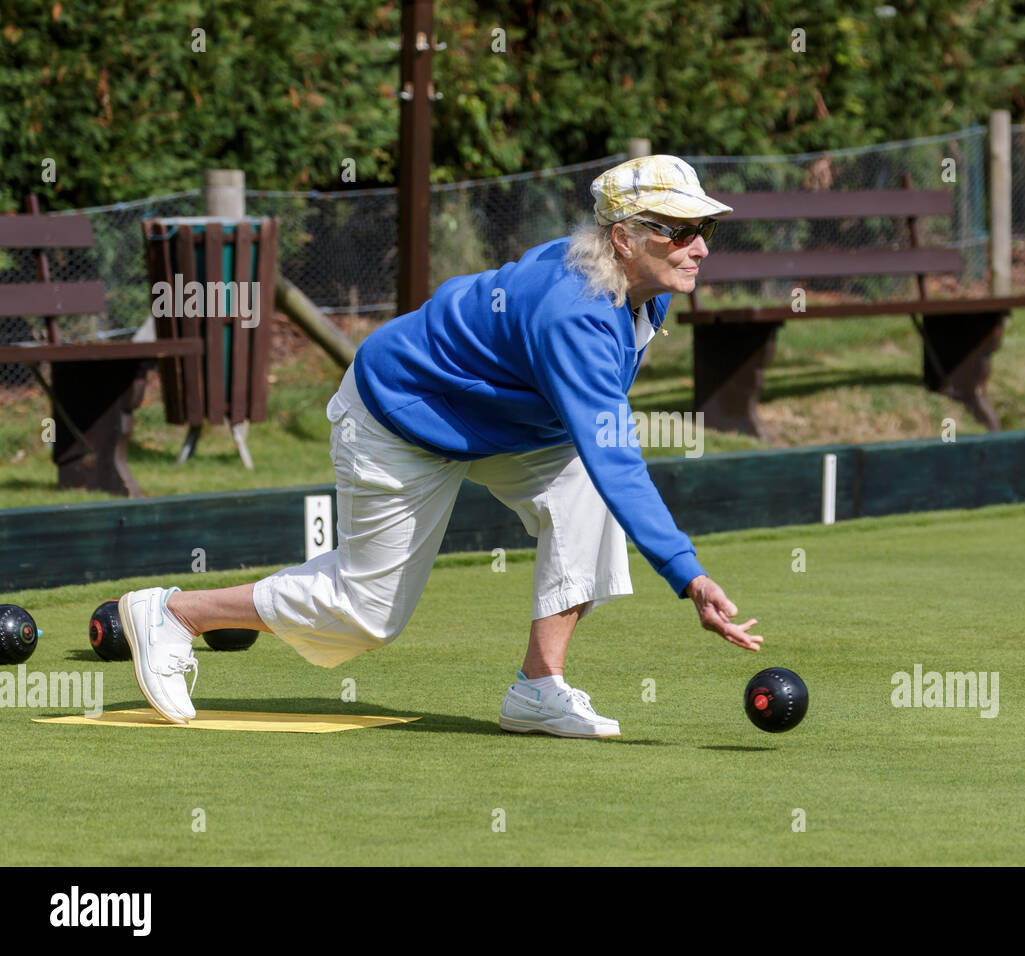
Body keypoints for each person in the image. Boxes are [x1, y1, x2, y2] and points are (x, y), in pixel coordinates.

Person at [117, 154, 763, 739]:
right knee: (364, 615)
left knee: (587, 492)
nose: (700, 248)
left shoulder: (639, 291)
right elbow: (615, 455)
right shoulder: (578, 312)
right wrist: (689, 575)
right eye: (679, 232)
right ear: (623, 238)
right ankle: (176, 612)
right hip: (401, 417)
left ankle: (539, 688)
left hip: (496, 423)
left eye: (705, 230)